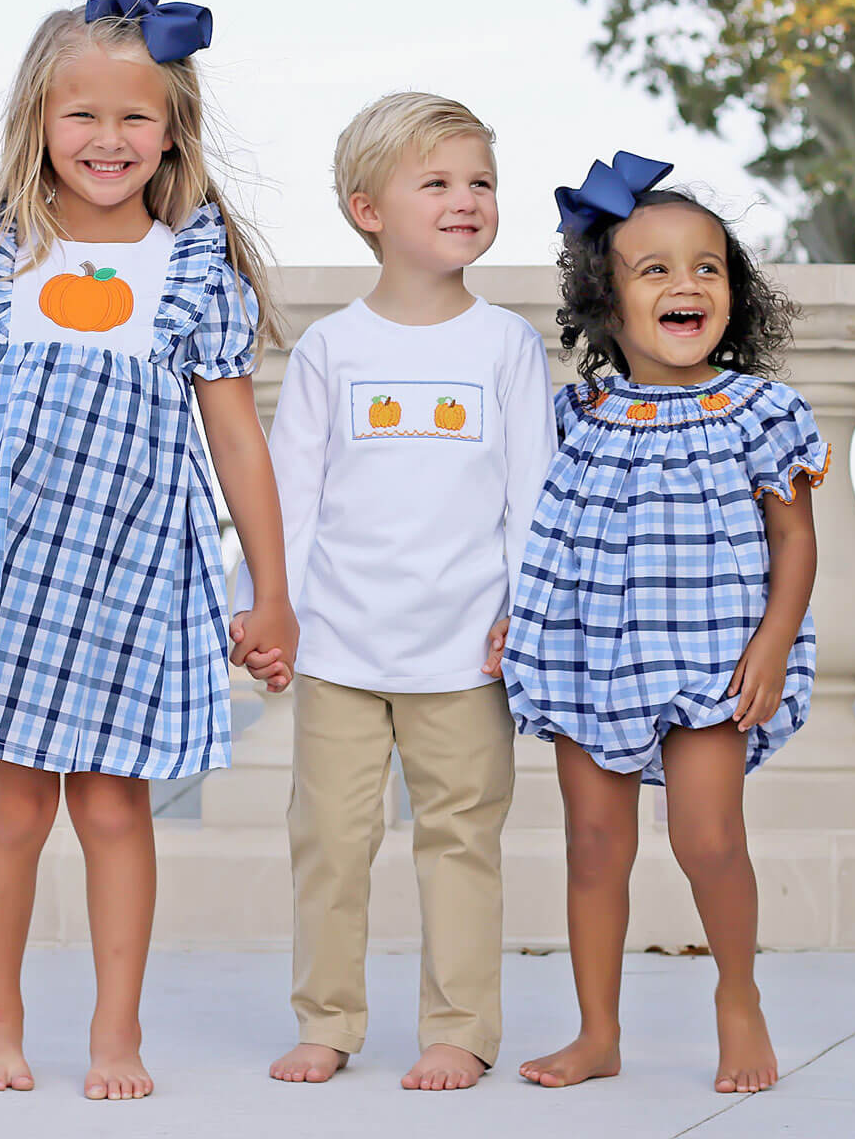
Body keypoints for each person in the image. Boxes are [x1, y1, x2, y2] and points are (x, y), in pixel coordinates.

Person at [0, 0, 296, 1101]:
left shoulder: (193, 269)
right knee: (10, 804)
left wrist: (268, 589)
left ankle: (116, 1033)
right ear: (39, 118)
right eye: (84, 113)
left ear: (173, 132)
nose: (108, 136)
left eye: (137, 116)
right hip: (2, 570)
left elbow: (236, 442)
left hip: (133, 572)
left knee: (115, 806)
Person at [234, 92, 556, 1091]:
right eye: (438, 182)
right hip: (338, 647)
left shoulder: (505, 346)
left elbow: (531, 496)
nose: (466, 200)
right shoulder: (335, 347)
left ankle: (460, 1026)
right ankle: (326, 1019)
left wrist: (525, 614)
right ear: (367, 207)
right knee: (330, 841)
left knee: (462, 840)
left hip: (466, 653)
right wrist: (266, 606)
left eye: (481, 182)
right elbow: (288, 490)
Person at [501, 153, 829, 1094]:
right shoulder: (573, 414)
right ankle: (597, 1031)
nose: (687, 285)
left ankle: (738, 994)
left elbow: (795, 540)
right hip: (589, 651)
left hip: (717, 654)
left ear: (735, 293)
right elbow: (531, 528)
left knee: (707, 837)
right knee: (596, 846)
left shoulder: (761, 411)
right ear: (608, 303)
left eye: (707, 268)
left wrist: (772, 643)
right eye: (655, 270)